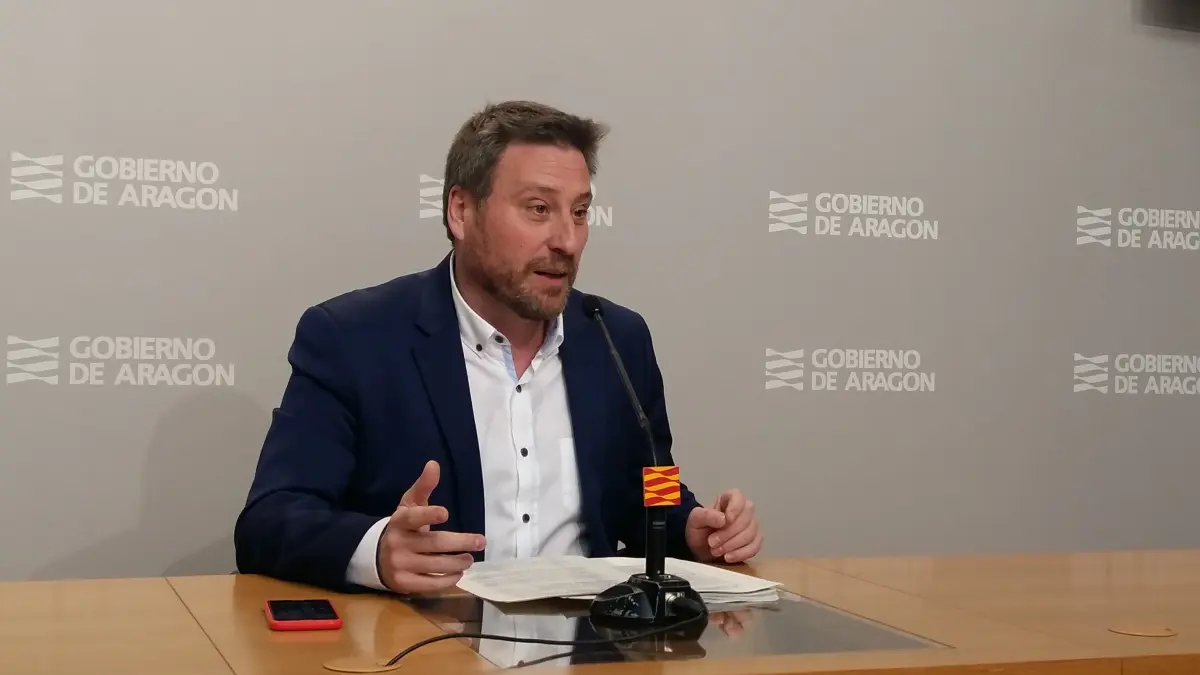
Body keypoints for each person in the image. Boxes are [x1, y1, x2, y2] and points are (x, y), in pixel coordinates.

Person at [233, 100, 763, 594]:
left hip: (592, 642)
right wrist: (377, 552)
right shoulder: (353, 338)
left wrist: (691, 528)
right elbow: (269, 521)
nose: (567, 240)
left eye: (580, 212)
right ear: (461, 212)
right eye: (539, 208)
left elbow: (648, 493)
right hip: (430, 640)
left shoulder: (617, 337)